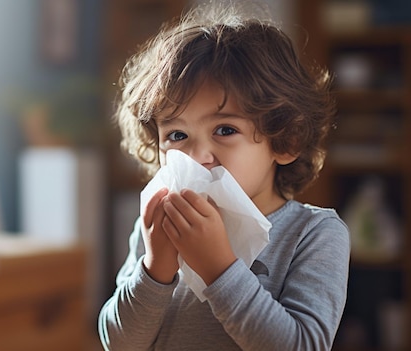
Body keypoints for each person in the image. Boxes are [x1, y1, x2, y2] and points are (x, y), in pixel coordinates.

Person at [98, 1, 350, 350]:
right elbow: (119, 343)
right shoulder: (158, 225)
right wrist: (155, 268)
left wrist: (219, 267)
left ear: (286, 140)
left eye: (225, 129)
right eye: (177, 135)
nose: (197, 157)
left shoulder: (313, 234)